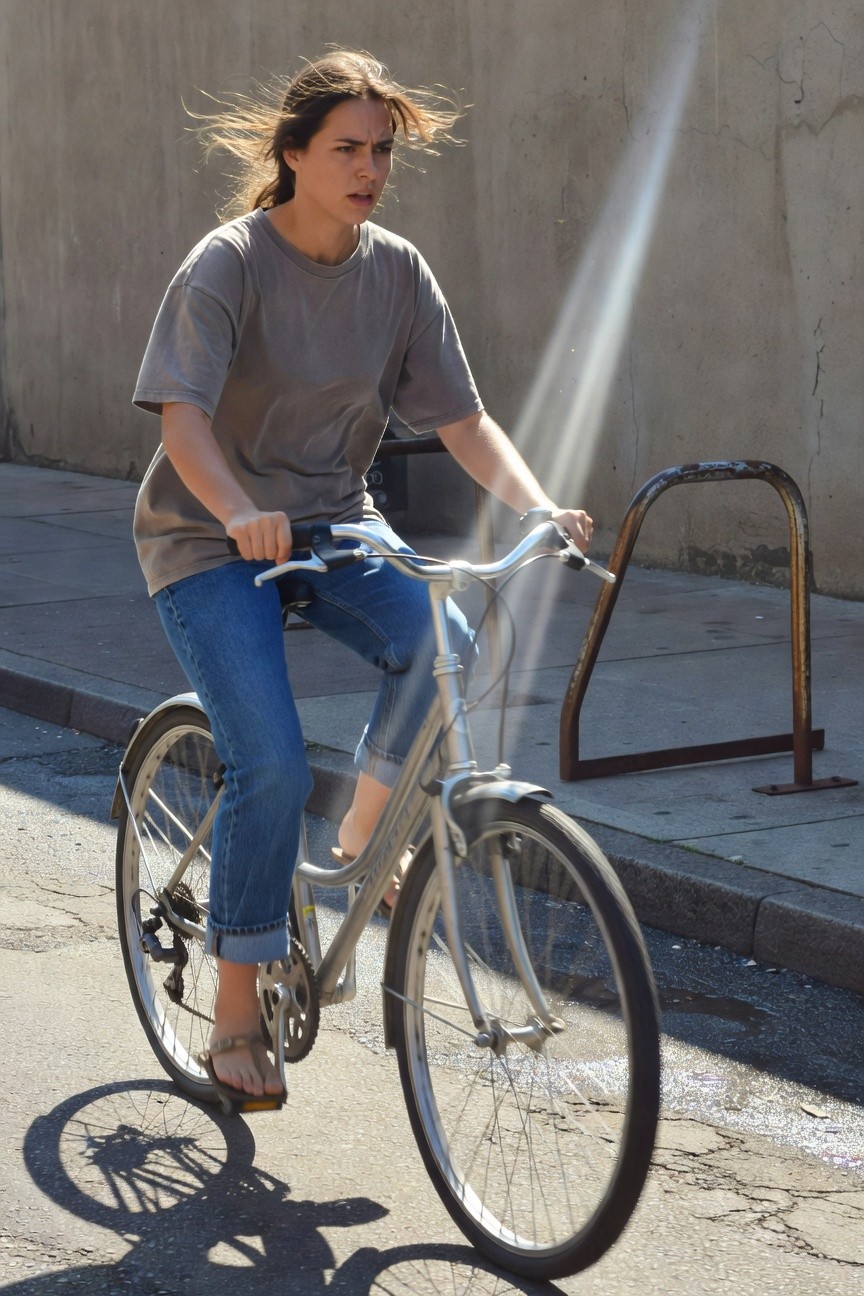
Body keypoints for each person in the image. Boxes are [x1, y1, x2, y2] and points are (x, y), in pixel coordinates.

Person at [132, 49, 593, 1106]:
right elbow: (181, 419)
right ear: (293, 155)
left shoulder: (398, 272)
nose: (370, 169)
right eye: (348, 149)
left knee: (446, 642)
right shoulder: (228, 264)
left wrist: (535, 505)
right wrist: (238, 510)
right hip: (209, 538)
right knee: (270, 764)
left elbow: (463, 420)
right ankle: (236, 1010)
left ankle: (360, 840)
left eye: (383, 151)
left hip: (335, 522)